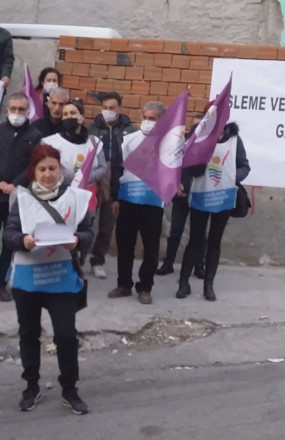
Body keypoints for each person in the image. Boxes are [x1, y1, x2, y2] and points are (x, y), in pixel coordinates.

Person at [3, 144, 93, 415]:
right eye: (42, 169)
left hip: (61, 279)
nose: (48, 174)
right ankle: (31, 386)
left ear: (60, 169)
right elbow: (8, 234)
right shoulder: (22, 199)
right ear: (34, 171)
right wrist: (23, 240)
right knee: (29, 335)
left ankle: (70, 389)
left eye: (52, 168)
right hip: (28, 280)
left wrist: (77, 241)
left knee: (66, 336)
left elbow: (88, 232)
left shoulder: (74, 198)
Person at [0, 93, 42, 304]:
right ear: (7, 110)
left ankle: (1, 285)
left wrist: (16, 184)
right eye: (13, 109)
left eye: (21, 109)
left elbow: (34, 164)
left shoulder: (35, 135)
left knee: (9, 243)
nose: (17, 113)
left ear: (28, 111)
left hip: (18, 198)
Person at [177, 122, 251, 301]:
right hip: (201, 195)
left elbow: (244, 166)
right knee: (195, 240)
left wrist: (231, 177)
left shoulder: (234, 140)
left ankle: (208, 284)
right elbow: (186, 163)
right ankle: (183, 282)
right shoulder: (199, 137)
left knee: (215, 242)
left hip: (223, 197)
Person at [107, 102, 166, 305]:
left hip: (153, 203)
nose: (148, 122)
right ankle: (124, 284)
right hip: (128, 200)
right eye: (145, 117)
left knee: (151, 248)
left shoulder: (168, 144)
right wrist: (115, 197)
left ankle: (145, 287)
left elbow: (175, 170)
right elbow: (117, 169)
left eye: (153, 119)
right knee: (125, 244)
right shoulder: (128, 140)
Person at [42, 98, 106, 264]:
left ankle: (80, 264)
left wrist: (84, 178)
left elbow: (103, 168)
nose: (68, 117)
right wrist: (67, 178)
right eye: (65, 114)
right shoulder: (50, 142)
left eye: (73, 113)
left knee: (84, 232)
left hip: (87, 195)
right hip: (60, 196)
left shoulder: (95, 142)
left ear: (81, 117)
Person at [87, 91, 136, 279]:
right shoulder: (91, 129)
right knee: (87, 223)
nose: (108, 111)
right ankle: (79, 258)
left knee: (107, 226)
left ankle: (98, 260)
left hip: (116, 180)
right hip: (93, 179)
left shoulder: (129, 130)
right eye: (105, 108)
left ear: (119, 109)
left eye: (112, 108)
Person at [157, 113, 207, 278]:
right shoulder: (180, 144)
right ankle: (168, 262)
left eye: (200, 125)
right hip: (181, 194)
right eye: (194, 125)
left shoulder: (208, 146)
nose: (197, 129)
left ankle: (199, 265)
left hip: (200, 195)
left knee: (200, 233)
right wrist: (175, 183)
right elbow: (170, 166)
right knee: (175, 230)